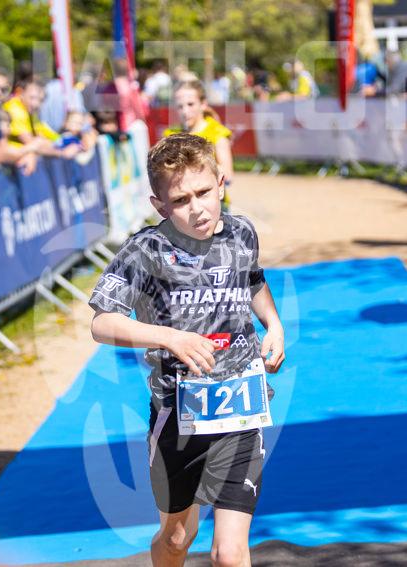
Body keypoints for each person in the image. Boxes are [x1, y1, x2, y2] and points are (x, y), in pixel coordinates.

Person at [89, 133, 285, 567]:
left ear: (221, 184)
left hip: (240, 406)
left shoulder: (241, 233)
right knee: (178, 537)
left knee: (230, 554)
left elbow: (252, 280)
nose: (197, 208)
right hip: (177, 413)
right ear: (159, 205)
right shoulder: (144, 251)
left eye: (204, 192)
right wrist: (169, 337)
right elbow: (102, 323)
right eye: (180, 200)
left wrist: (273, 324)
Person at [163, 80, 234, 212]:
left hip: (214, 206)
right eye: (180, 106)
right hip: (181, 205)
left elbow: (228, 175)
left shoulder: (217, 132)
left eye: (190, 104)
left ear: (203, 104)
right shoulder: (170, 135)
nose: (185, 111)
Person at [1, 79, 80, 159]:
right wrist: (62, 153)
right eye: (32, 98)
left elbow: (49, 135)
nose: (36, 104)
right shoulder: (16, 111)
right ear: (20, 93)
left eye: (40, 100)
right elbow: (32, 143)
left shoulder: (28, 110)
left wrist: (62, 141)